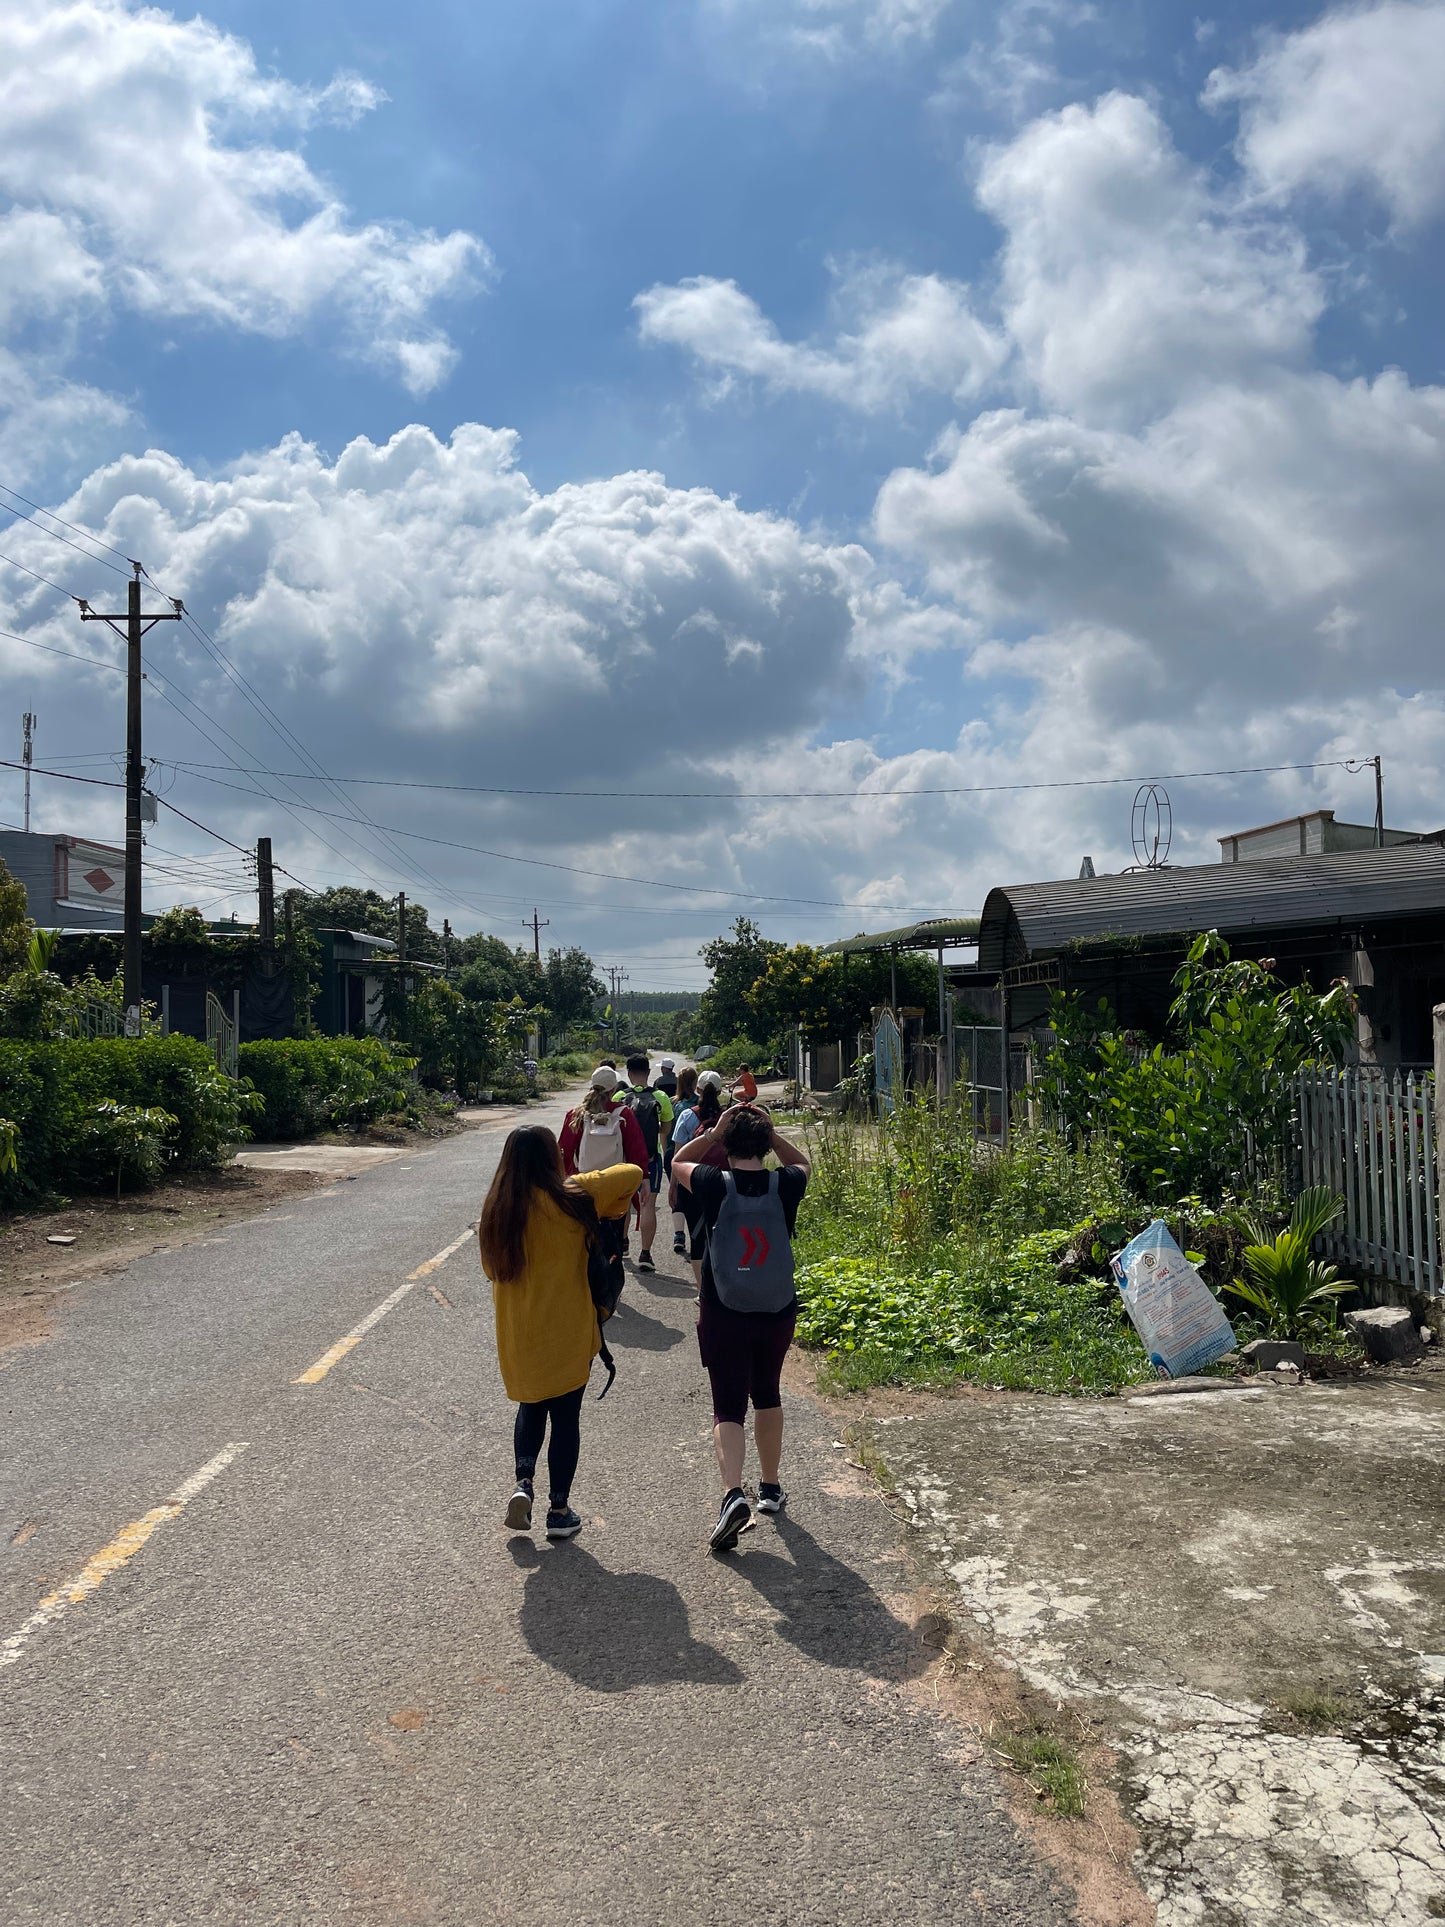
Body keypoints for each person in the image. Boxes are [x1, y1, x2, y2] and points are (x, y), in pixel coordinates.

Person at [479, 1125, 641, 1541]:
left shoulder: (497, 1212)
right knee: (566, 1418)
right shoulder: (573, 1199)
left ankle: (523, 1483)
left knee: (531, 1407)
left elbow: (490, 1272)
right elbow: (633, 1173)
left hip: (520, 1335)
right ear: (553, 1157)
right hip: (568, 1331)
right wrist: (575, 1180)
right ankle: (559, 1509)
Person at [675, 1102, 811, 1554]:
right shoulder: (785, 1182)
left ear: (728, 1145)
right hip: (777, 1308)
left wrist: (713, 1134)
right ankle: (770, 1489)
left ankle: (733, 1494)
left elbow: (677, 1163)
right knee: (767, 1391)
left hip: (723, 1306)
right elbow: (802, 1163)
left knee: (727, 1405)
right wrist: (772, 1135)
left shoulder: (714, 1183)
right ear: (765, 1146)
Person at [617, 1052, 673, 1273]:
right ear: (649, 1073)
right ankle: (646, 1254)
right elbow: (666, 1128)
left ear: (629, 1073)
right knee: (648, 1204)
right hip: (651, 1159)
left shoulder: (619, 1096)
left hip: (624, 1160)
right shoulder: (660, 1097)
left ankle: (623, 1243)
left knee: (623, 1204)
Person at [670, 1069, 723, 1266]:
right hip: (724, 1181)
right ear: (720, 1092)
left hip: (692, 1180)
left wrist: (674, 1185)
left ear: (697, 1089)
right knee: (720, 1234)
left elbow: (678, 1154)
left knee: (696, 1237)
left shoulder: (686, 1115)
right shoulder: (729, 1116)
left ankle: (702, 1292)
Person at [559, 1065, 648, 1178]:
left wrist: (567, 1181)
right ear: (613, 1089)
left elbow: (565, 1150)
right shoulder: (624, 1114)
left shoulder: (575, 1115)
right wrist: (644, 1176)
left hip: (584, 1183)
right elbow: (636, 1150)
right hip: (616, 1183)